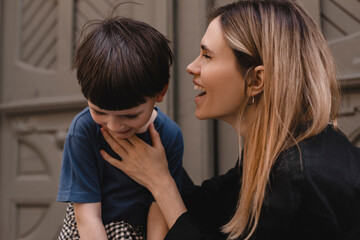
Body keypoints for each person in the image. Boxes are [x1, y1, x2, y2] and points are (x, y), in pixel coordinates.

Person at [99, 0, 360, 239]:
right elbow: (206, 207)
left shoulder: (302, 177)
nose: (191, 66)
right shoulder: (273, 155)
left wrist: (160, 183)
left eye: (207, 56)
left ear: (257, 80)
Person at [56, 16, 184, 240]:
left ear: (160, 93)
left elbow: (159, 208)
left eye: (130, 115)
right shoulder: (84, 131)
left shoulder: (170, 135)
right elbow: (87, 216)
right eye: (99, 112)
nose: (114, 126)